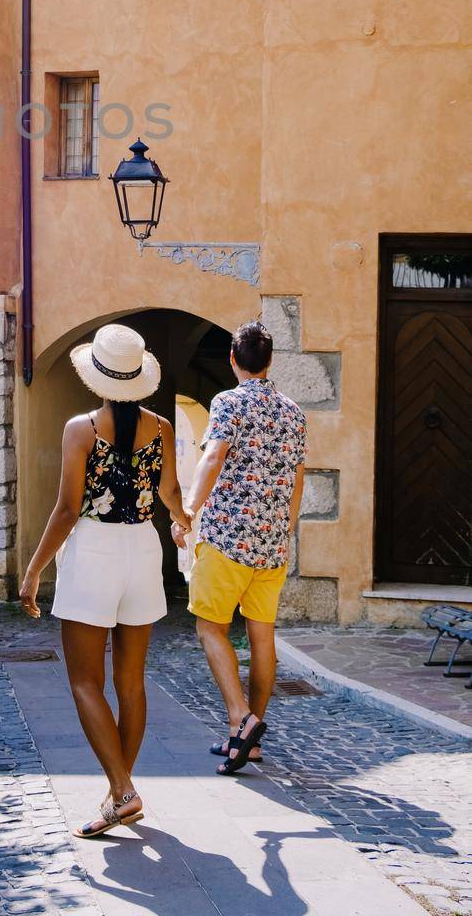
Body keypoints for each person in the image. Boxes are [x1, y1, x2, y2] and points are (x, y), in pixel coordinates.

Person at [19, 323, 192, 838]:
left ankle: (122, 791)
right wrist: (184, 525)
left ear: (97, 377)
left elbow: (69, 509)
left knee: (83, 680)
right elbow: (171, 493)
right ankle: (121, 792)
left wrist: (33, 572)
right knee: (131, 681)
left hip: (93, 551)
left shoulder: (81, 429)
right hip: (143, 548)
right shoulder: (161, 428)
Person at [173, 319, 306, 775]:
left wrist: (188, 510)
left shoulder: (228, 401)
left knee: (210, 627)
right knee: (262, 635)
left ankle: (240, 717)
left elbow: (213, 455)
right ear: (270, 361)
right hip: (271, 543)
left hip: (229, 536)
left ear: (233, 360)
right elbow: (297, 478)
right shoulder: (293, 412)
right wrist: (283, 529)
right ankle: (249, 740)